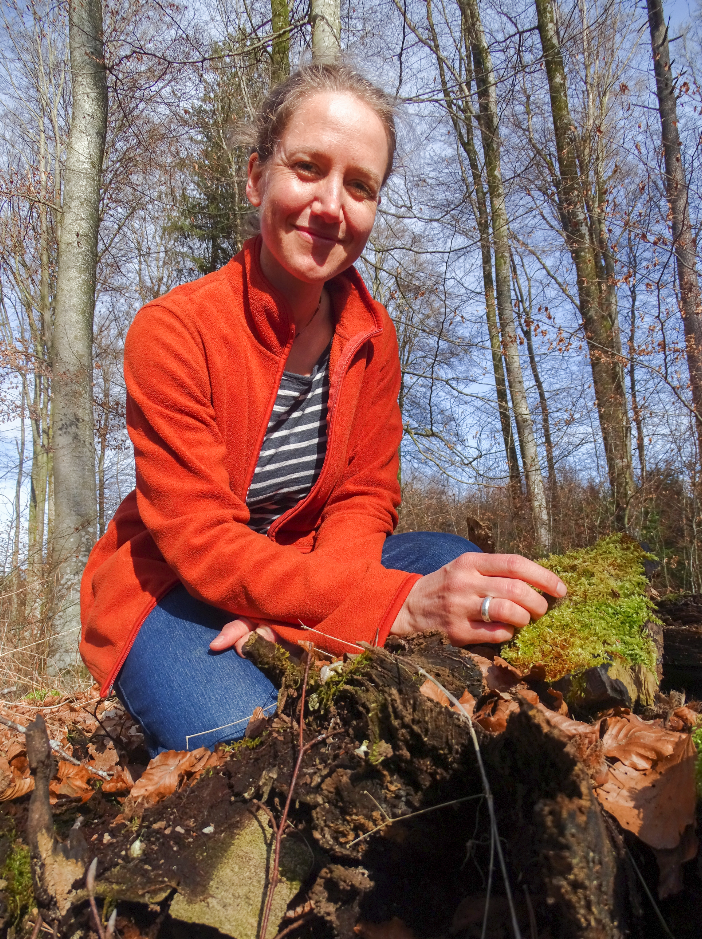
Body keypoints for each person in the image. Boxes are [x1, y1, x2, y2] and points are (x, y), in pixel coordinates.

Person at [80, 64, 566, 756]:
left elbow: (364, 496)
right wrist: (381, 608)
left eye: (360, 185)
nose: (332, 205)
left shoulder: (372, 334)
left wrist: (306, 619)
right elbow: (204, 544)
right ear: (256, 178)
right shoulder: (173, 330)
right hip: (173, 585)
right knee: (246, 735)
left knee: (462, 568)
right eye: (308, 168)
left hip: (306, 565)